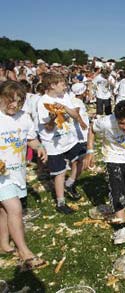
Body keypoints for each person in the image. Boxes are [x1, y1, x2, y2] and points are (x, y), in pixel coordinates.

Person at [84, 101, 125, 244]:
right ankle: (121, 227)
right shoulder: (106, 122)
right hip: (112, 157)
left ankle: (120, 196)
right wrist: (90, 150)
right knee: (117, 192)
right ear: (116, 118)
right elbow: (91, 128)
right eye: (122, 123)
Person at [0, 80, 47, 269]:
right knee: (15, 209)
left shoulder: (24, 118)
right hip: (1, 176)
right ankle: (24, 252)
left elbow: (31, 139)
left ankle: (4, 244)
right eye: (9, 100)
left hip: (17, 172)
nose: (14, 105)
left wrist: (40, 148)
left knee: (4, 211)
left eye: (18, 102)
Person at [37, 72, 87, 214]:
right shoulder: (42, 102)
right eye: (63, 84)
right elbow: (47, 127)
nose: (65, 87)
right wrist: (53, 118)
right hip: (53, 143)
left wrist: (64, 108)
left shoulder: (65, 97)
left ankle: (69, 184)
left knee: (82, 158)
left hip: (69, 139)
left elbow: (75, 115)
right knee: (60, 172)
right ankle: (61, 202)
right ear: (52, 85)